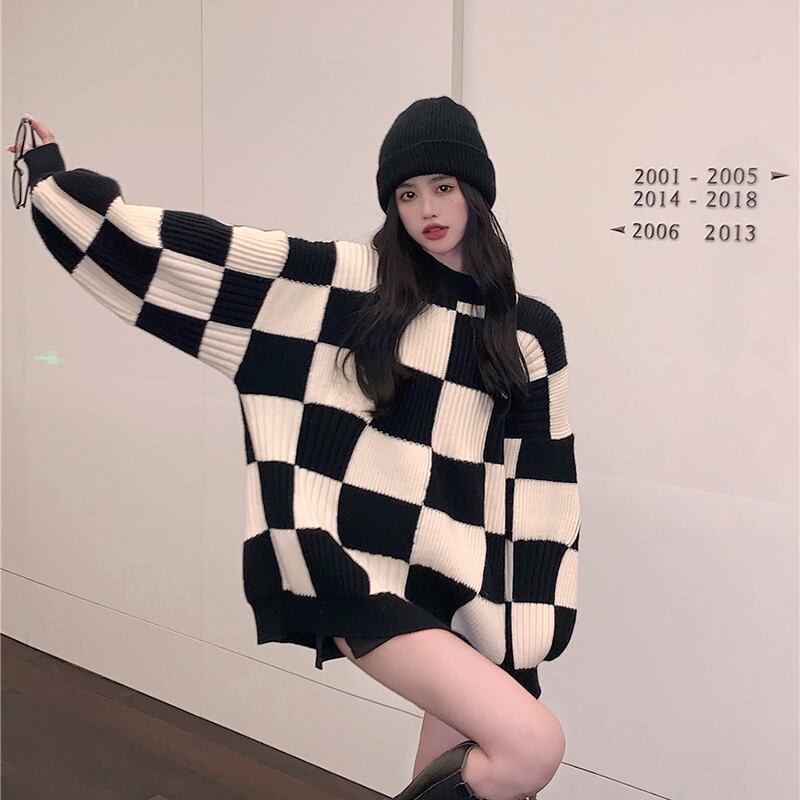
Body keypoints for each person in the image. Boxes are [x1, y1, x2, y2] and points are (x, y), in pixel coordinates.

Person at [9, 97, 579, 800]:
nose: (428, 209)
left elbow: (542, 490)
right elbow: (188, 260)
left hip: (466, 596)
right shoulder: (349, 286)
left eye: (443, 186)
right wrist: (55, 184)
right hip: (357, 577)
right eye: (407, 193)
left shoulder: (527, 332)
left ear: (476, 191)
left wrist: (525, 633)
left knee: (469, 765)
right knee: (531, 746)